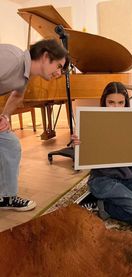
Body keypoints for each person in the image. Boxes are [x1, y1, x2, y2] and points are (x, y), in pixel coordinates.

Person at [74, 82, 132, 227]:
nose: (116, 107)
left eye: (121, 103)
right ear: (104, 102)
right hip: (102, 180)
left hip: (127, 178)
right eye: (111, 102)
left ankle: (107, 198)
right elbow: (84, 156)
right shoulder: (94, 122)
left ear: (126, 103)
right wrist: (78, 142)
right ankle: (102, 205)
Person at [0, 39, 69, 211]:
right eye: (59, 66)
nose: (59, 73)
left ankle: (6, 197)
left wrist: (5, 117)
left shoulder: (26, 74)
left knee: (10, 143)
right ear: (46, 57)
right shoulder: (11, 58)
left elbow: (17, 96)